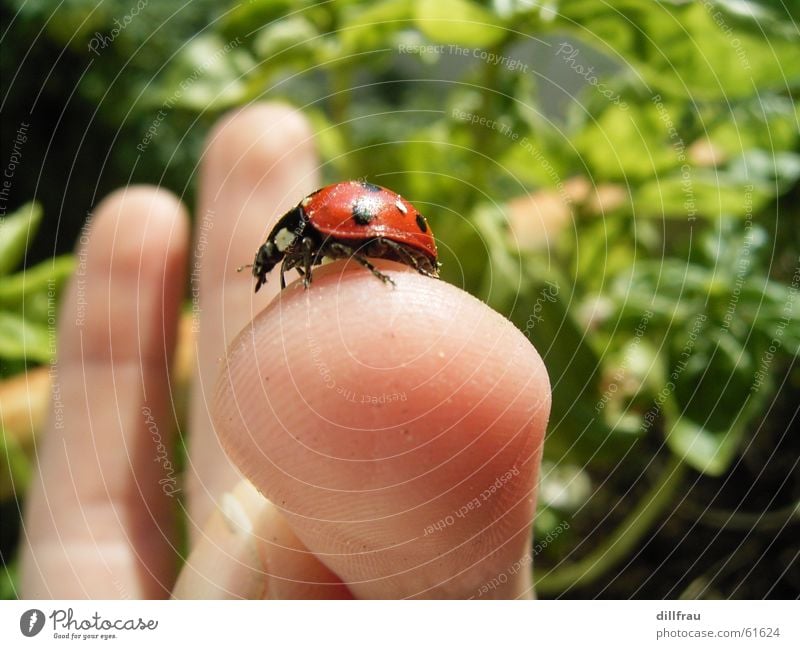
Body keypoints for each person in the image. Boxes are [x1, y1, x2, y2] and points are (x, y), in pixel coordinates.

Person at [20, 103, 551, 599]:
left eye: (272, 257)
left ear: (285, 242)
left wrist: (364, 264)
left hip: (393, 242)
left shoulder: (313, 225)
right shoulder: (310, 227)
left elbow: (343, 238)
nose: (274, 263)